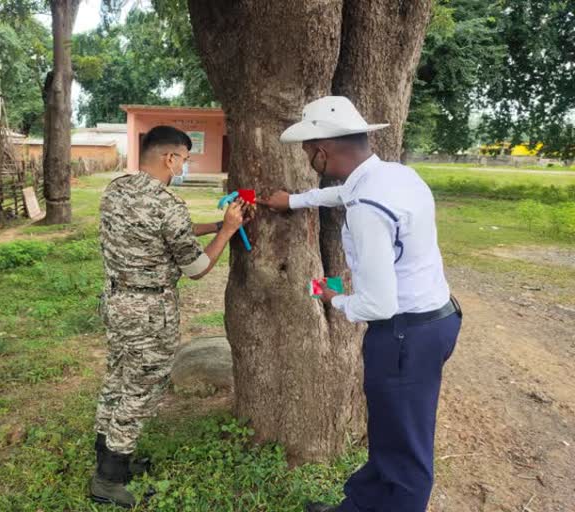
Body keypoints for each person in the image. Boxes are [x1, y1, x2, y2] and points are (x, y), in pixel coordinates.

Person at [260, 96, 462, 512]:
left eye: (306, 150)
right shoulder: (395, 176)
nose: (306, 157)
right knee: (391, 434)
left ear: (323, 151)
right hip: (434, 321)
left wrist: (336, 299)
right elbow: (343, 196)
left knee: (405, 451)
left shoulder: (368, 208)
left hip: (403, 333)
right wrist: (294, 201)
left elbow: (379, 305)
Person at [91, 125, 246, 508]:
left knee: (117, 377)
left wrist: (217, 224)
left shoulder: (117, 190)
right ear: (169, 157)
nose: (184, 166)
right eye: (184, 158)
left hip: (116, 302)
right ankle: (109, 479)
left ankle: (110, 456)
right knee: (141, 389)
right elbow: (196, 268)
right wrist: (226, 233)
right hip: (148, 312)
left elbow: (167, 232)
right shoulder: (167, 204)